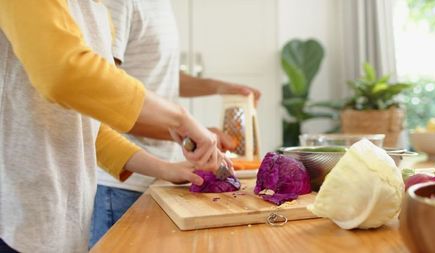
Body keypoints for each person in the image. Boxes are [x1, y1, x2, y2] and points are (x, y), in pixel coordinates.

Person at [0, 0, 226, 252]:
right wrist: (177, 117)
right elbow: (64, 74)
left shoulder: (98, 10)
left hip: (61, 218)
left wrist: (164, 168)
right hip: (13, 215)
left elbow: (87, 125)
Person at [88, 0, 262, 247]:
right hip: (123, 184)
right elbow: (107, 101)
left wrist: (217, 87)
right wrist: (189, 133)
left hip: (165, 175)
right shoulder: (118, 3)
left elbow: (162, 74)